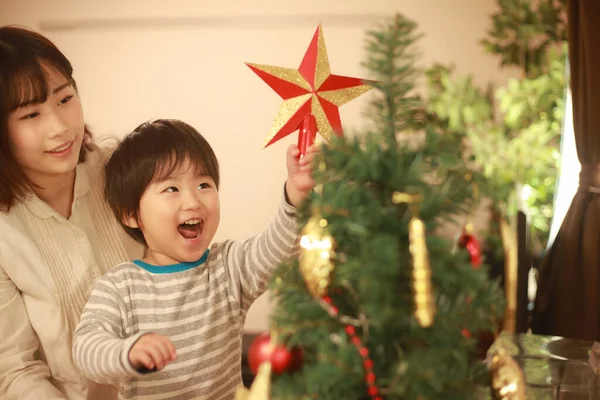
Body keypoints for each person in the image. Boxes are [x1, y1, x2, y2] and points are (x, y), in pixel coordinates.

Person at [71, 119, 316, 399]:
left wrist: (297, 195)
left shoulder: (228, 268)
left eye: (203, 184)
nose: (193, 202)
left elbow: (279, 249)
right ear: (131, 214)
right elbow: (85, 348)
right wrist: (126, 351)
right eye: (171, 189)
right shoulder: (119, 286)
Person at [0, 26, 146, 399]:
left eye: (65, 99)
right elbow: (15, 370)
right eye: (31, 115)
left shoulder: (124, 171)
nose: (61, 127)